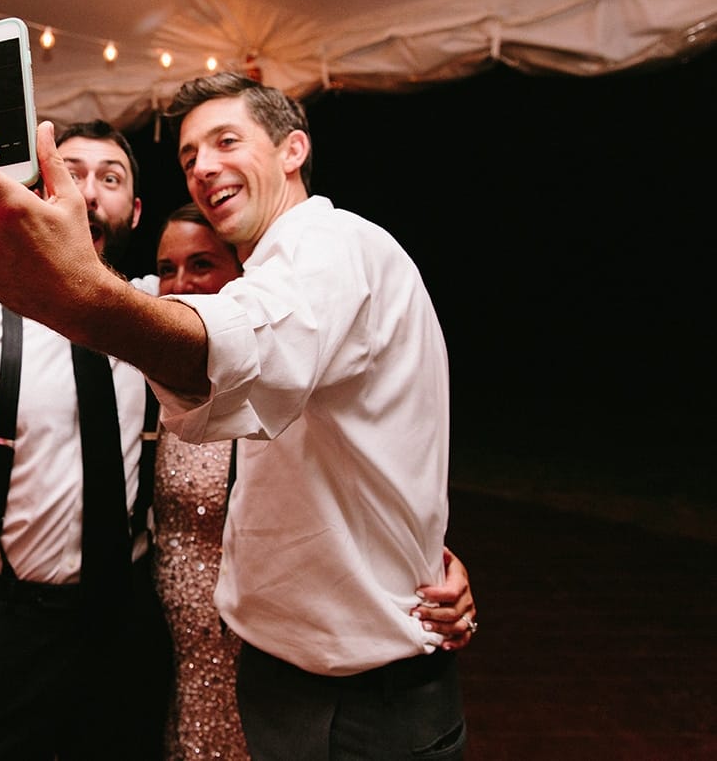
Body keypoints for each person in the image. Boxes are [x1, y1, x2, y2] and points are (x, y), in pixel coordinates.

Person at [0, 75, 473, 758]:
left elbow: (241, 346)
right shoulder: (259, 277)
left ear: (292, 150)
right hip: (261, 666)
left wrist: (69, 297)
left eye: (226, 141)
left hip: (355, 699)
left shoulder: (330, 245)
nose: (204, 167)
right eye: (189, 157)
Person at [0, 122, 174, 760]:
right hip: (5, 624)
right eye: (71, 173)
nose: (90, 193)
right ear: (41, 189)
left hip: (126, 620)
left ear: (136, 210)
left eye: (112, 178)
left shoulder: (164, 318)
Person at [149, 203, 477, 759]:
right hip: (176, 647)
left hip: (290, 662)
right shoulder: (150, 365)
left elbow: (368, 477)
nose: (182, 283)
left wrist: (430, 562)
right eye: (167, 268)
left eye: (202, 264)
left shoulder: (301, 355)